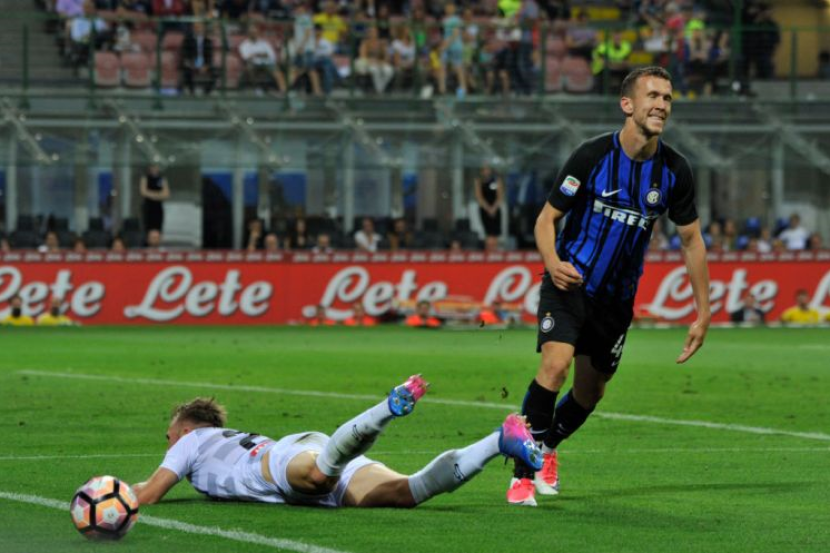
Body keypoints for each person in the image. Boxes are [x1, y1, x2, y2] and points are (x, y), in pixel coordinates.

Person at [509, 66, 710, 507]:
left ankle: (547, 445)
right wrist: (553, 263)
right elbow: (546, 219)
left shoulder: (674, 170)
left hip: (616, 301)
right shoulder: (592, 156)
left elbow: (692, 240)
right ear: (627, 104)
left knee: (590, 392)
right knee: (555, 367)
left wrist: (703, 312)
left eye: (667, 98)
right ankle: (523, 471)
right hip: (570, 283)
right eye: (652, 96)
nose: (661, 105)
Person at [131, 376, 542, 509]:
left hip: (273, 464)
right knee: (408, 492)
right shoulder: (216, 439)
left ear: (184, 430)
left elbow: (148, 495)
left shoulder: (192, 441)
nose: (168, 446)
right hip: (303, 451)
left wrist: (111, 491)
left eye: (169, 437)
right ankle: (499, 440)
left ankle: (386, 408)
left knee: (317, 475)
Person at [181, 22, 218, 95]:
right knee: (186, 70)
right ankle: (192, 91)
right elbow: (185, 54)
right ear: (193, 29)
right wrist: (193, 64)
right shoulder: (188, 40)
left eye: (200, 27)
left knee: (215, 71)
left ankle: (207, 92)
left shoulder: (207, 41)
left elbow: (210, 56)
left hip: (204, 63)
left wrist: (206, 66)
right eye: (196, 27)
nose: (198, 29)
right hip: (192, 63)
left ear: (203, 29)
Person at [474, 164, 505, 239]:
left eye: (488, 169)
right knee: (487, 232)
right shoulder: (478, 181)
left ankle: (495, 245)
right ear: (481, 171)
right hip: (484, 208)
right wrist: (488, 209)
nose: (486, 171)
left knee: (495, 232)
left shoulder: (497, 180)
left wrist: (493, 208)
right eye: (484, 169)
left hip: (495, 208)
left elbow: (500, 196)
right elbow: (479, 197)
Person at [140, 164, 170, 233]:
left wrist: (151, 194)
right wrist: (158, 195)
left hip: (158, 208)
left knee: (158, 227)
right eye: (153, 167)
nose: (154, 169)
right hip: (148, 207)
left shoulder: (162, 179)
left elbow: (166, 194)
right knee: (148, 227)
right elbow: (143, 192)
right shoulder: (145, 178)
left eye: (156, 167)